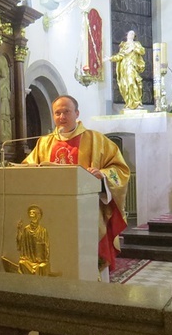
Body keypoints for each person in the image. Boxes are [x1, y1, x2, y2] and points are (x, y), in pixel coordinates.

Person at [23, 95, 130, 280]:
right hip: (52, 212)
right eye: (57, 113)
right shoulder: (44, 142)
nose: (62, 116)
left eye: (66, 111)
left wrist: (102, 174)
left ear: (77, 113)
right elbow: (28, 168)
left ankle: (94, 291)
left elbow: (120, 169)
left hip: (87, 212)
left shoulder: (95, 139)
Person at [109, 30, 145, 110]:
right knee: (125, 85)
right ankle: (129, 103)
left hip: (132, 66)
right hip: (124, 67)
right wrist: (110, 58)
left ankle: (136, 102)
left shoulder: (136, 44)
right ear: (127, 35)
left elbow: (142, 51)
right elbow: (120, 56)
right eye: (130, 33)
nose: (132, 34)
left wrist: (133, 48)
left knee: (133, 83)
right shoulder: (124, 45)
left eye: (133, 34)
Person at [16, 205, 51, 276]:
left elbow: (46, 246)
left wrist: (45, 258)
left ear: (38, 216)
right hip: (28, 260)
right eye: (30, 213)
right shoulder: (26, 229)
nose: (31, 215)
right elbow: (21, 244)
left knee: (41, 266)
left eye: (33, 213)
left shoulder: (43, 230)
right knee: (22, 263)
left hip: (39, 260)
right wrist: (19, 230)